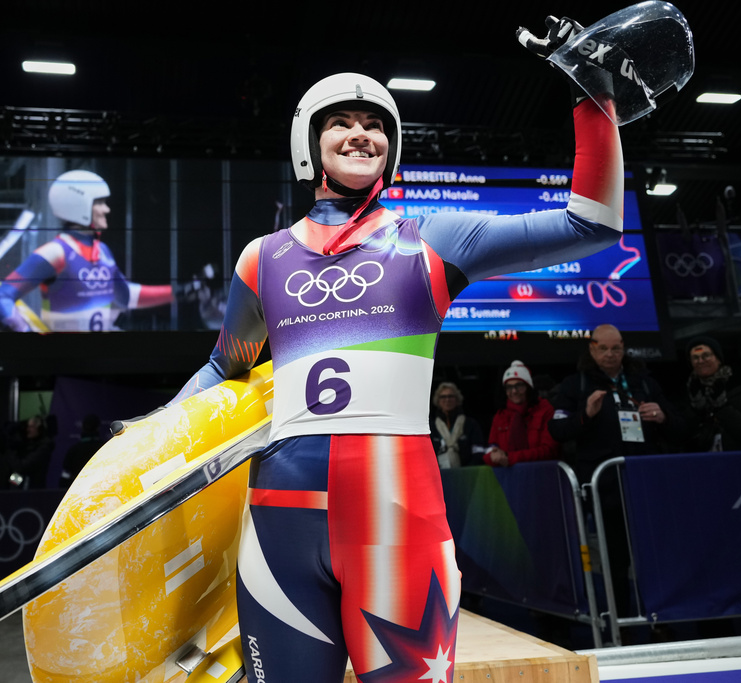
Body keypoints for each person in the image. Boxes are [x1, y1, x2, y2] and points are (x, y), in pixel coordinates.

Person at [163, 35, 628, 678]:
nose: (361, 133)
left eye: (376, 125)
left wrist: (592, 92)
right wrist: (146, 444)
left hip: (396, 525)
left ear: (393, 146)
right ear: (309, 144)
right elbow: (224, 367)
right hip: (277, 530)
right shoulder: (259, 259)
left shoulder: (432, 239)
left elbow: (592, 224)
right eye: (341, 123)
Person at [549, 324, 684, 624]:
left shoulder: (644, 382)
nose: (610, 355)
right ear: (592, 349)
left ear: (624, 348)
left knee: (657, 558)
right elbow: (557, 430)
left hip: (646, 485)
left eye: (616, 348)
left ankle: (664, 623)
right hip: (605, 490)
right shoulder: (576, 384)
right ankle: (621, 625)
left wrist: (662, 418)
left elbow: (681, 428)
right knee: (615, 562)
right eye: (603, 348)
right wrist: (585, 415)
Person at [0, 170, 176, 333]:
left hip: (103, 357)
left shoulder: (102, 251)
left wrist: (178, 292)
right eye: (100, 202)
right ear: (79, 205)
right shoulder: (56, 252)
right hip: (65, 360)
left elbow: (126, 296)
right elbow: (0, 298)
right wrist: (27, 333)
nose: (107, 209)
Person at [683, 336, 741, 452]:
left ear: (718, 359)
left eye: (706, 356)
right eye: (695, 358)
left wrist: (722, 408)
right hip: (703, 465)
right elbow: (680, 436)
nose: (701, 361)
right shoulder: (690, 393)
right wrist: (696, 410)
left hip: (740, 463)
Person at [485, 361, 559, 467]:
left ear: (528, 387)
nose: (514, 391)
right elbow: (491, 449)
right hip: (509, 477)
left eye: (519, 386)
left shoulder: (545, 410)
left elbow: (550, 450)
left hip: (542, 474)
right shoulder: (500, 415)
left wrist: (510, 457)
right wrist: (493, 457)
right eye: (509, 387)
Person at [429, 382, 486, 468]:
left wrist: (466, 472)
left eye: (450, 396)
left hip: (467, 474)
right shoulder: (430, 427)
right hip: (439, 475)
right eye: (443, 397)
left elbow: (478, 453)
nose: (447, 400)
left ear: (457, 399)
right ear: (438, 401)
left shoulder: (470, 424)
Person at [7, 415, 56, 489]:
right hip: (19, 485)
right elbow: (17, 473)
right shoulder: (26, 444)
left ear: (39, 429)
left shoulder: (44, 446)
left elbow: (22, 467)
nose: (28, 430)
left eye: (31, 427)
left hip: (33, 489)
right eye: (27, 427)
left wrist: (11, 451)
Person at [60, 413, 104, 487]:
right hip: (100, 490)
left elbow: (65, 477)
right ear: (98, 427)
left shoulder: (73, 450)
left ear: (83, 427)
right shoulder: (105, 448)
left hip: (77, 491)